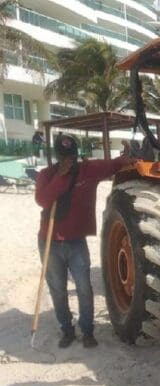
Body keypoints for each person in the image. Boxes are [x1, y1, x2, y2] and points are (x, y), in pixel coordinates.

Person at [35, 134, 136, 348]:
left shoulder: (87, 170)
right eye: (64, 157)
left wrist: (126, 158)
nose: (68, 161)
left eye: (71, 157)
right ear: (57, 156)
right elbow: (42, 200)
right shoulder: (47, 174)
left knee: (84, 288)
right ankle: (67, 329)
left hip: (76, 242)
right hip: (50, 241)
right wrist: (60, 177)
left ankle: (87, 330)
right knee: (58, 289)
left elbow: (112, 165)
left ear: (76, 155)